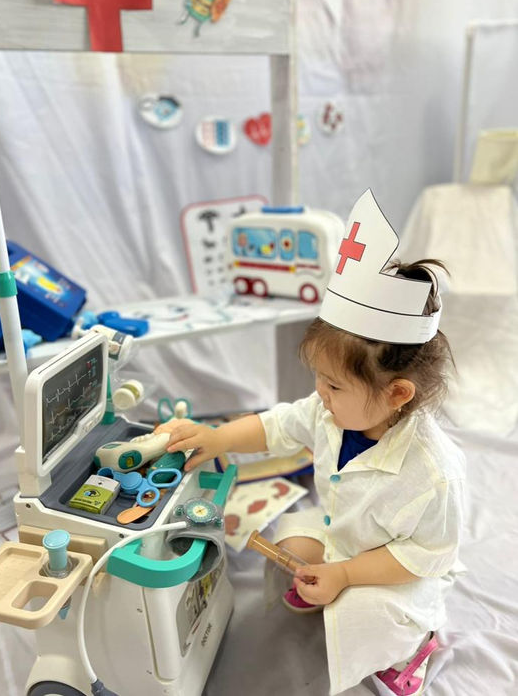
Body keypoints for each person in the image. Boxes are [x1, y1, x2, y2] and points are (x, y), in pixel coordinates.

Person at [155, 190, 466, 696]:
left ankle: (412, 648)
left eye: (334, 385)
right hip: (345, 535)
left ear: (397, 394)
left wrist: (346, 574)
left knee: (366, 612)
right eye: (319, 378)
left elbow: (426, 555)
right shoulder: (329, 412)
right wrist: (217, 437)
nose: (320, 392)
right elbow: (277, 425)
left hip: (396, 568)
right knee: (290, 547)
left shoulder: (433, 473)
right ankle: (328, 583)